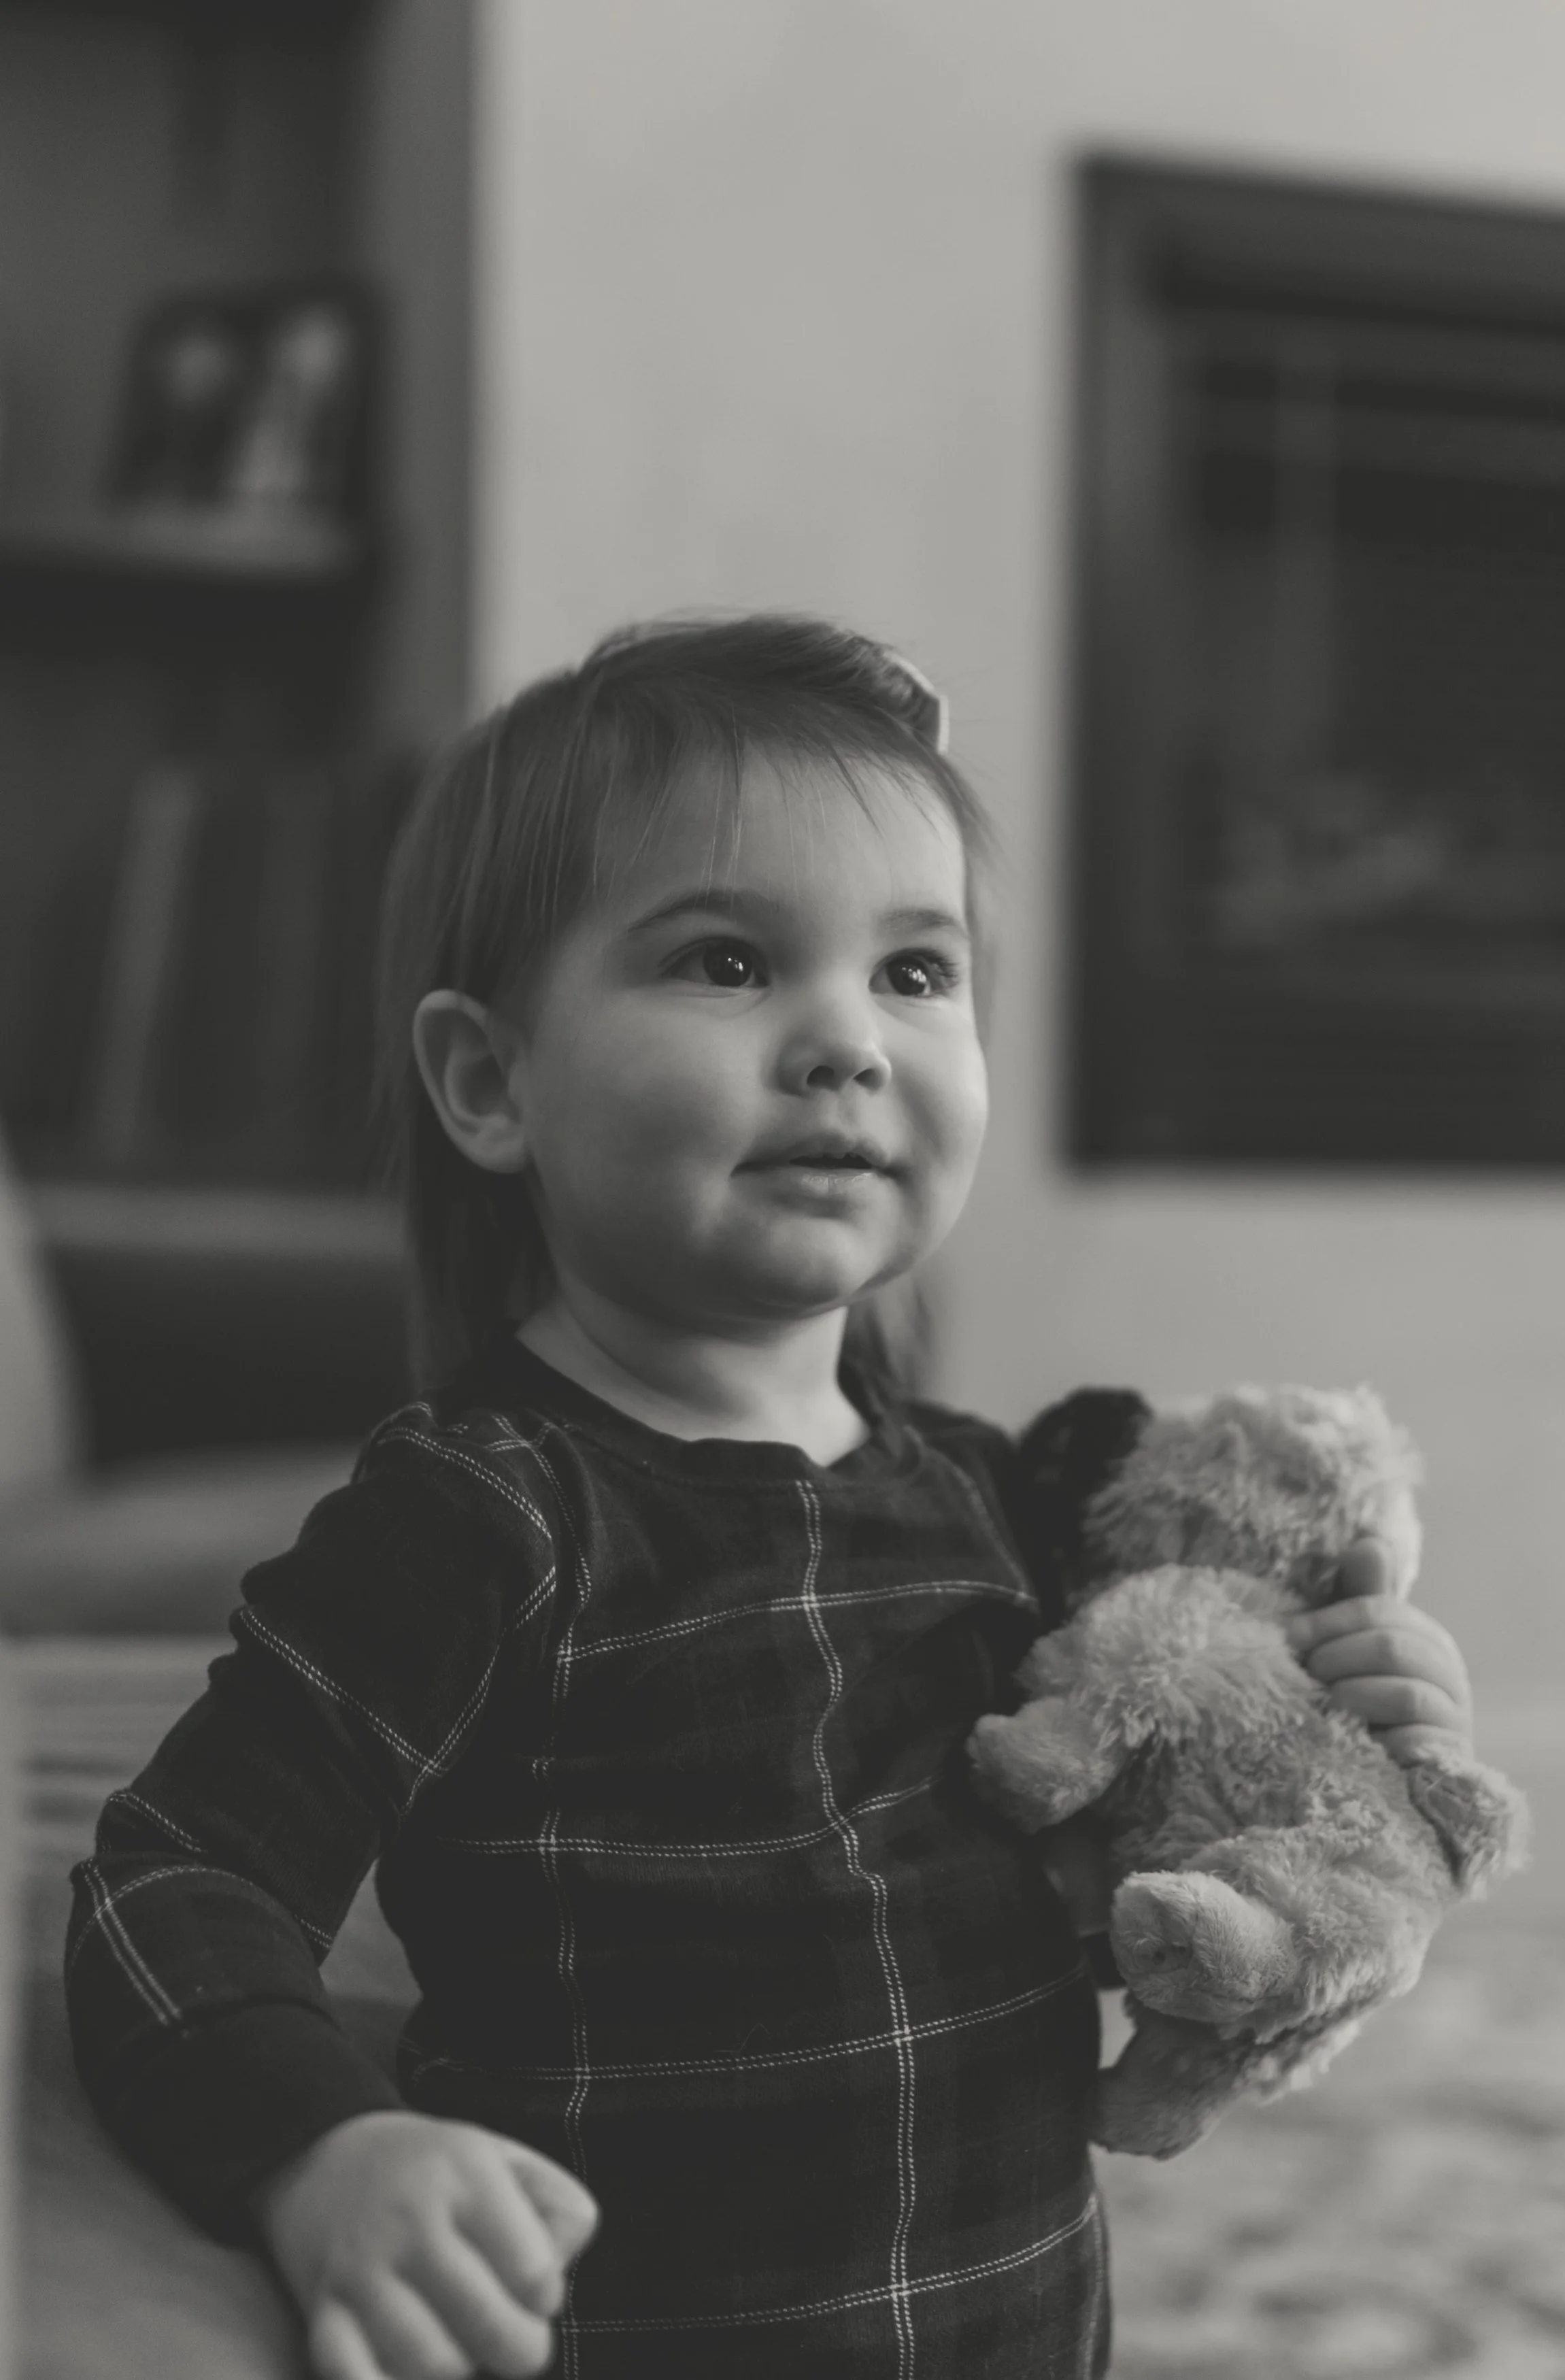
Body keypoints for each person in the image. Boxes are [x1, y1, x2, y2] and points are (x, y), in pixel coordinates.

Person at [65, 616, 1478, 2380]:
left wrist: (1355, 1746)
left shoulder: (990, 1501)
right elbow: (175, 1881)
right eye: (727, 960)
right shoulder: (479, 1518)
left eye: (916, 972)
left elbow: (1127, 1872)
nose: (847, 1041)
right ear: (492, 1082)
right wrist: (320, 2152)